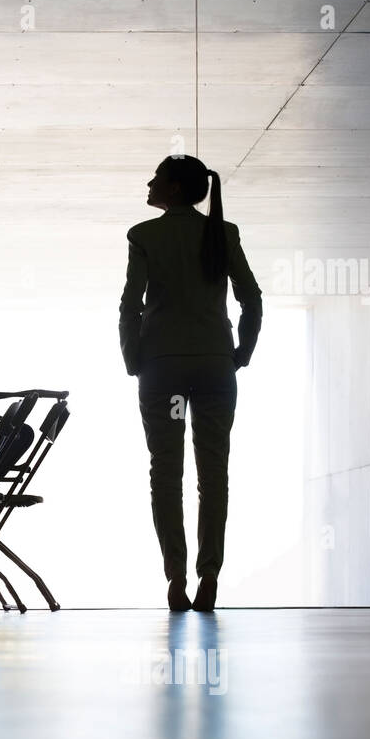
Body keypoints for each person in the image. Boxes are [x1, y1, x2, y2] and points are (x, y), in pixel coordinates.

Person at [119, 155, 262, 612]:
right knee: (212, 475)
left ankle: (176, 576)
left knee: (167, 473)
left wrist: (132, 358)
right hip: (215, 367)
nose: (148, 181)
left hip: (163, 370)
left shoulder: (144, 235)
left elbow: (130, 304)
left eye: (156, 177)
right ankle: (210, 575)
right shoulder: (223, 232)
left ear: (175, 189)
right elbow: (251, 297)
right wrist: (243, 351)